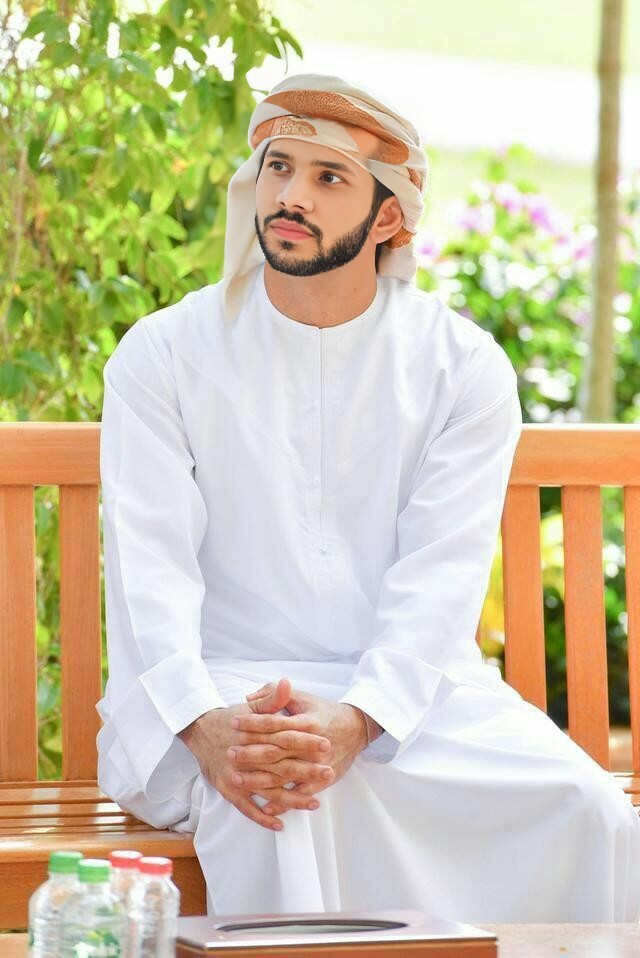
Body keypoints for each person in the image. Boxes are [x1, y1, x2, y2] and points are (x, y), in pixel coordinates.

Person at [96, 72, 640, 922]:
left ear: (388, 218)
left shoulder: (461, 368)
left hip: (410, 700)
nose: (291, 196)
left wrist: (359, 717)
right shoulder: (163, 353)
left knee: (591, 811)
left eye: (329, 177)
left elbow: (440, 577)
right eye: (279, 168)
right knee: (276, 802)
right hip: (216, 696)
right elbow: (148, 570)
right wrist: (207, 725)